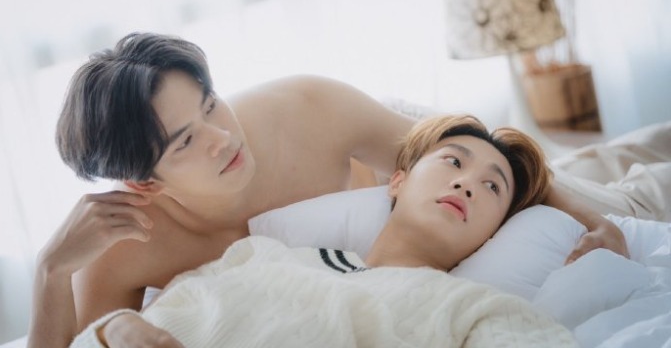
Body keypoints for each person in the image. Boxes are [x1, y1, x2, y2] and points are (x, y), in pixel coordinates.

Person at [27, 32, 624, 348]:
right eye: (186, 141)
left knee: (604, 180)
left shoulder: (307, 108)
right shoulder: (122, 243)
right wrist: (51, 272)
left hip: (409, 156)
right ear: (143, 182)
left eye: (211, 105)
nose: (222, 138)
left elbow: (477, 161)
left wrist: (596, 220)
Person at [69, 114, 577, 347]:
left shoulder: (472, 308)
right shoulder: (260, 256)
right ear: (397, 181)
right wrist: (114, 329)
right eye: (453, 162)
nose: (466, 184)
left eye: (492, 187)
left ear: (492, 236)